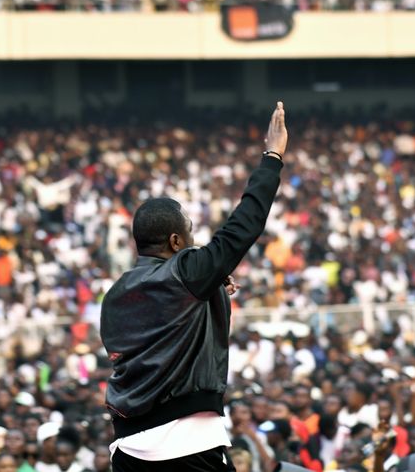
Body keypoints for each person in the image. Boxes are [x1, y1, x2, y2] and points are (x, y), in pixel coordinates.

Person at [100, 102, 288, 471]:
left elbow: (162, 333)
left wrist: (210, 289)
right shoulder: (182, 272)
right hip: (186, 443)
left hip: (128, 448)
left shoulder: (115, 294)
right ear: (174, 241)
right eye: (189, 234)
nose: (193, 241)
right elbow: (241, 229)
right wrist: (273, 156)